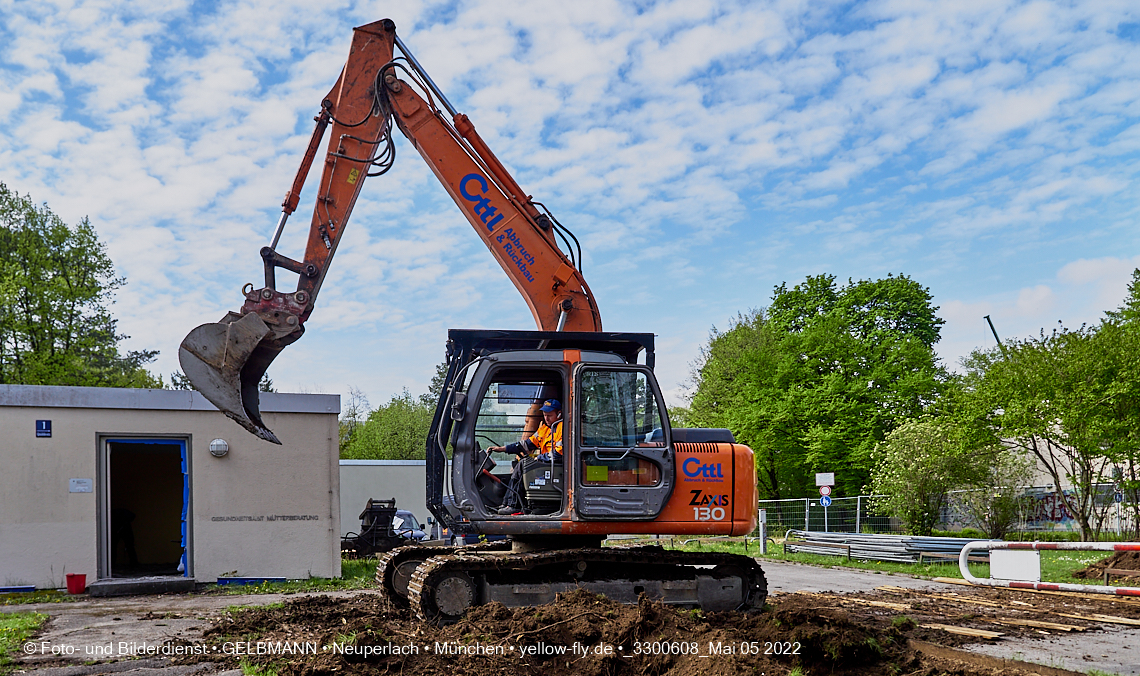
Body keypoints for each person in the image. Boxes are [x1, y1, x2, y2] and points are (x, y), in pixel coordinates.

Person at [488, 398, 562, 514]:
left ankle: (514, 505)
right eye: (544, 414)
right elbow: (526, 445)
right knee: (520, 463)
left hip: (555, 466)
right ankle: (507, 503)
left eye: (549, 415)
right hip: (547, 464)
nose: (546, 418)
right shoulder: (544, 429)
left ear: (559, 414)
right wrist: (503, 449)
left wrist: (539, 458)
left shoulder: (563, 428)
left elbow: (559, 454)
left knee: (523, 464)